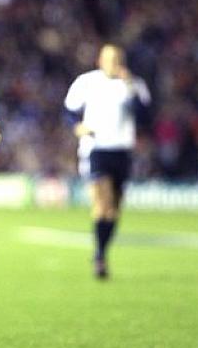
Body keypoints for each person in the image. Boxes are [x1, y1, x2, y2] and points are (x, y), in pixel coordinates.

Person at [64, 44, 150, 279]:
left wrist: (130, 87)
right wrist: (76, 126)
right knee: (103, 203)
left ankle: (101, 252)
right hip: (96, 149)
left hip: (122, 151)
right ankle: (100, 257)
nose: (114, 63)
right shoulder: (87, 82)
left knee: (114, 210)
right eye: (109, 59)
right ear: (100, 61)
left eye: (117, 59)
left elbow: (145, 117)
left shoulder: (134, 85)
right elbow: (69, 111)